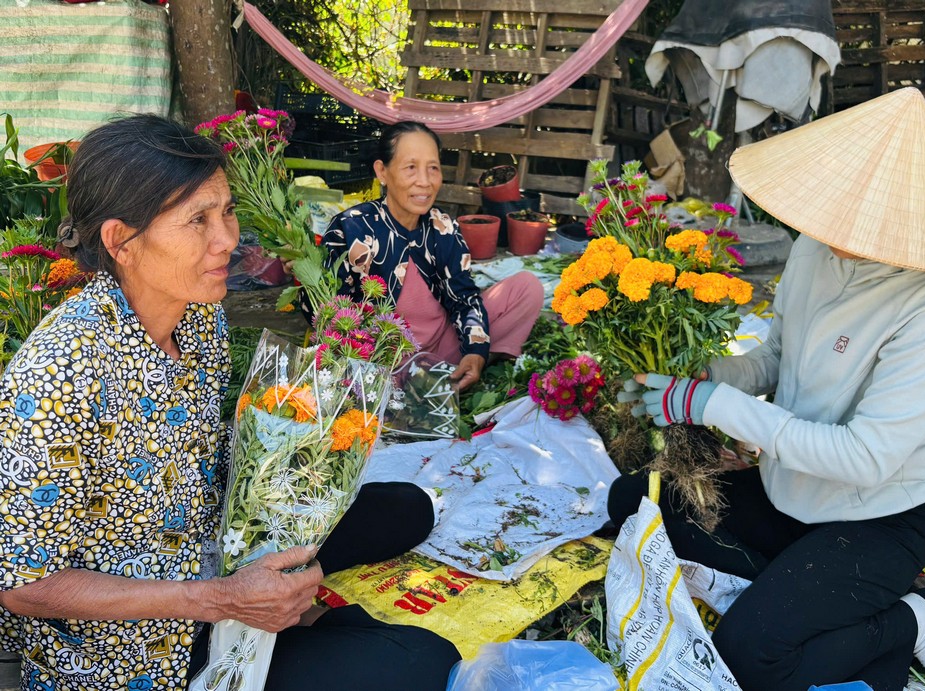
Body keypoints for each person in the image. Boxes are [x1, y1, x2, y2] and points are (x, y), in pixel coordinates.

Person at [0, 115, 458, 690]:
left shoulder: (198, 314)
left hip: (218, 550)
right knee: (420, 661)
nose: (228, 239)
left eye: (227, 211)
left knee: (406, 507)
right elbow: (22, 586)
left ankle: (308, 630)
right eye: (198, 220)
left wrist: (300, 478)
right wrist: (223, 601)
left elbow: (210, 465)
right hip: (143, 652)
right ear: (121, 241)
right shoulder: (57, 378)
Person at [612, 88, 925, 691]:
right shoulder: (816, 247)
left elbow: (866, 458)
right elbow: (773, 359)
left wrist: (716, 406)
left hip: (878, 518)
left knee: (750, 658)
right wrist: (699, 377)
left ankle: (910, 620)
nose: (834, 224)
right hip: (787, 489)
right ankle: (800, 597)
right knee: (634, 500)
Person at [318, 121, 544, 391]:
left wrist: (475, 351)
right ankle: (426, 383)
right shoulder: (351, 229)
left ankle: (461, 371)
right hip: (386, 361)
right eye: (410, 167)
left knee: (527, 287)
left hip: (445, 345)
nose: (424, 181)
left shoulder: (442, 227)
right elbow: (331, 313)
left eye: (433, 168)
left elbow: (465, 298)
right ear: (383, 171)